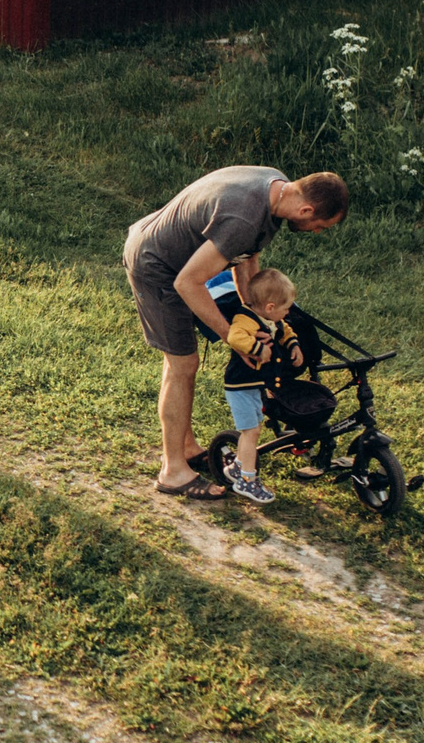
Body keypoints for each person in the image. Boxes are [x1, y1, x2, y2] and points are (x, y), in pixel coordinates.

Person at [126, 166, 349, 499]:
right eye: (319, 225)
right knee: (182, 365)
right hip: (157, 264)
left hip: (176, 255)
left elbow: (247, 262)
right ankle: (173, 472)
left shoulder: (274, 189)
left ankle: (186, 448)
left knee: (182, 364)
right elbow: (187, 282)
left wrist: (253, 321)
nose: (316, 232)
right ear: (307, 210)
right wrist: (232, 335)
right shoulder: (245, 218)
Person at [219, 268, 307, 506]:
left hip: (254, 385)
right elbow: (235, 337)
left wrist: (293, 345)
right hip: (240, 385)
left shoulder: (271, 320)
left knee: (254, 427)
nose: (288, 312)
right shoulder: (245, 319)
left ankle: (237, 467)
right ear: (270, 307)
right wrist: (259, 350)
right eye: (286, 308)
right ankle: (247, 481)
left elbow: (284, 330)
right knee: (251, 432)